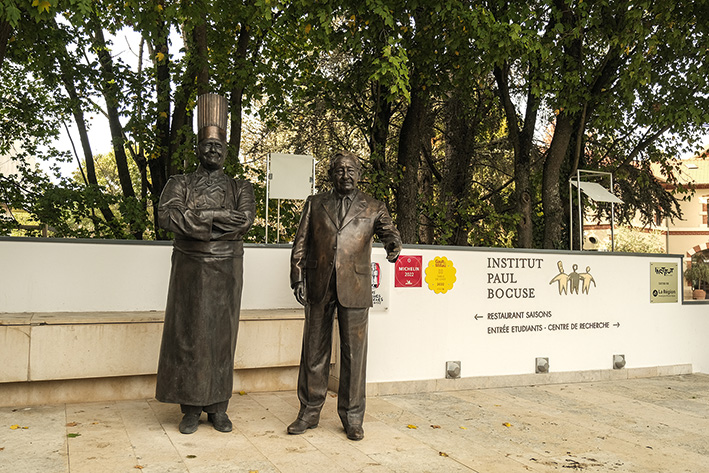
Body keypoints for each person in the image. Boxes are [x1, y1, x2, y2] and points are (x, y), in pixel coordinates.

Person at [155, 93, 255, 434]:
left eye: (219, 146)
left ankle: (218, 408)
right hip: (189, 272)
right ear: (198, 149)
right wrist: (217, 217)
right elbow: (167, 215)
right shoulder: (179, 183)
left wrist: (198, 220)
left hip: (227, 271)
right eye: (207, 145)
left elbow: (243, 222)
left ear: (227, 152)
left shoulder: (241, 187)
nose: (213, 151)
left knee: (221, 339)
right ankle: (189, 408)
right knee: (188, 336)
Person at [288, 151, 401, 441]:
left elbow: (389, 230)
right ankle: (309, 412)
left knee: (353, 355)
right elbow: (301, 242)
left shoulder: (374, 206)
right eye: (339, 170)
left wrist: (392, 243)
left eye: (350, 170)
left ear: (359, 174)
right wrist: (297, 276)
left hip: (355, 287)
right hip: (318, 284)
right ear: (331, 174)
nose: (345, 175)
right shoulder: (315, 204)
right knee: (314, 351)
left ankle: (352, 417)